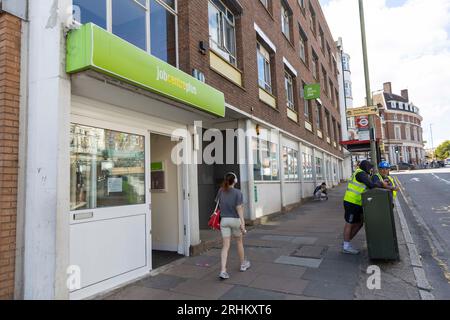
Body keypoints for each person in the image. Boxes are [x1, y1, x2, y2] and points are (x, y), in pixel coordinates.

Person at [342, 160, 388, 255]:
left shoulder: (363, 174)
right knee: (349, 224)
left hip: (357, 203)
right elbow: (371, 185)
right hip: (351, 202)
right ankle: (346, 246)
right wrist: (381, 184)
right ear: (366, 167)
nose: (371, 169)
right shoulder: (360, 174)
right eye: (370, 167)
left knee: (359, 223)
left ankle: (346, 242)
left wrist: (379, 182)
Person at [216, 172, 250, 280]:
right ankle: (243, 264)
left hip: (224, 221)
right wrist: (243, 224)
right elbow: (239, 209)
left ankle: (223, 270)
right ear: (235, 181)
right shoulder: (238, 193)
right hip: (235, 220)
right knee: (239, 242)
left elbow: (218, 204)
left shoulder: (220, 191)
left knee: (225, 246)